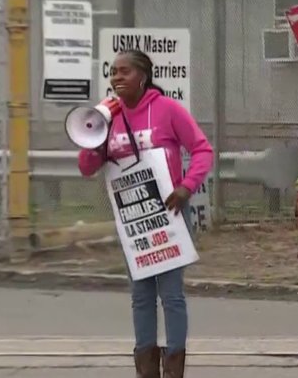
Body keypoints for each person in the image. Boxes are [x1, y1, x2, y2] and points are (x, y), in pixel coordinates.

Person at [77, 49, 214, 378]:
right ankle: (146, 368)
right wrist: (97, 135)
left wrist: (186, 187)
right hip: (134, 224)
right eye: (113, 72)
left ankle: (174, 368)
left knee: (171, 295)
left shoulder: (167, 110)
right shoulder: (108, 117)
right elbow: (86, 166)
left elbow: (202, 149)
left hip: (169, 216)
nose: (117, 78)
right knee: (141, 296)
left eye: (124, 71)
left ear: (143, 76)